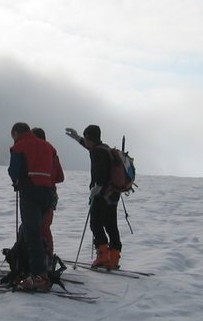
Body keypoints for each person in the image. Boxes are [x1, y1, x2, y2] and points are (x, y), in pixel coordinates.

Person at [8, 122, 64, 291]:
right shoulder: (49, 147)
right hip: (48, 193)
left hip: (30, 192)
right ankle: (43, 266)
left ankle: (39, 275)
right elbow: (58, 175)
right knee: (40, 231)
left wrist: (17, 182)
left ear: (17, 133)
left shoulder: (19, 146)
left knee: (31, 233)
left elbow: (13, 171)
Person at [65, 124, 122, 269]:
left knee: (95, 223)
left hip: (102, 193)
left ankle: (103, 256)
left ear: (90, 137)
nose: (85, 140)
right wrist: (77, 138)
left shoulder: (97, 152)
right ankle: (114, 257)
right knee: (110, 224)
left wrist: (96, 188)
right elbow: (90, 146)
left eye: (85, 137)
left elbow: (100, 173)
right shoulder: (105, 148)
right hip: (114, 193)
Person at [31, 127, 63, 265]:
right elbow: (60, 177)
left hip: (33, 195)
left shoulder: (32, 153)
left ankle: (36, 258)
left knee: (34, 227)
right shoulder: (52, 153)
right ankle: (47, 256)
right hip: (50, 195)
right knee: (45, 227)